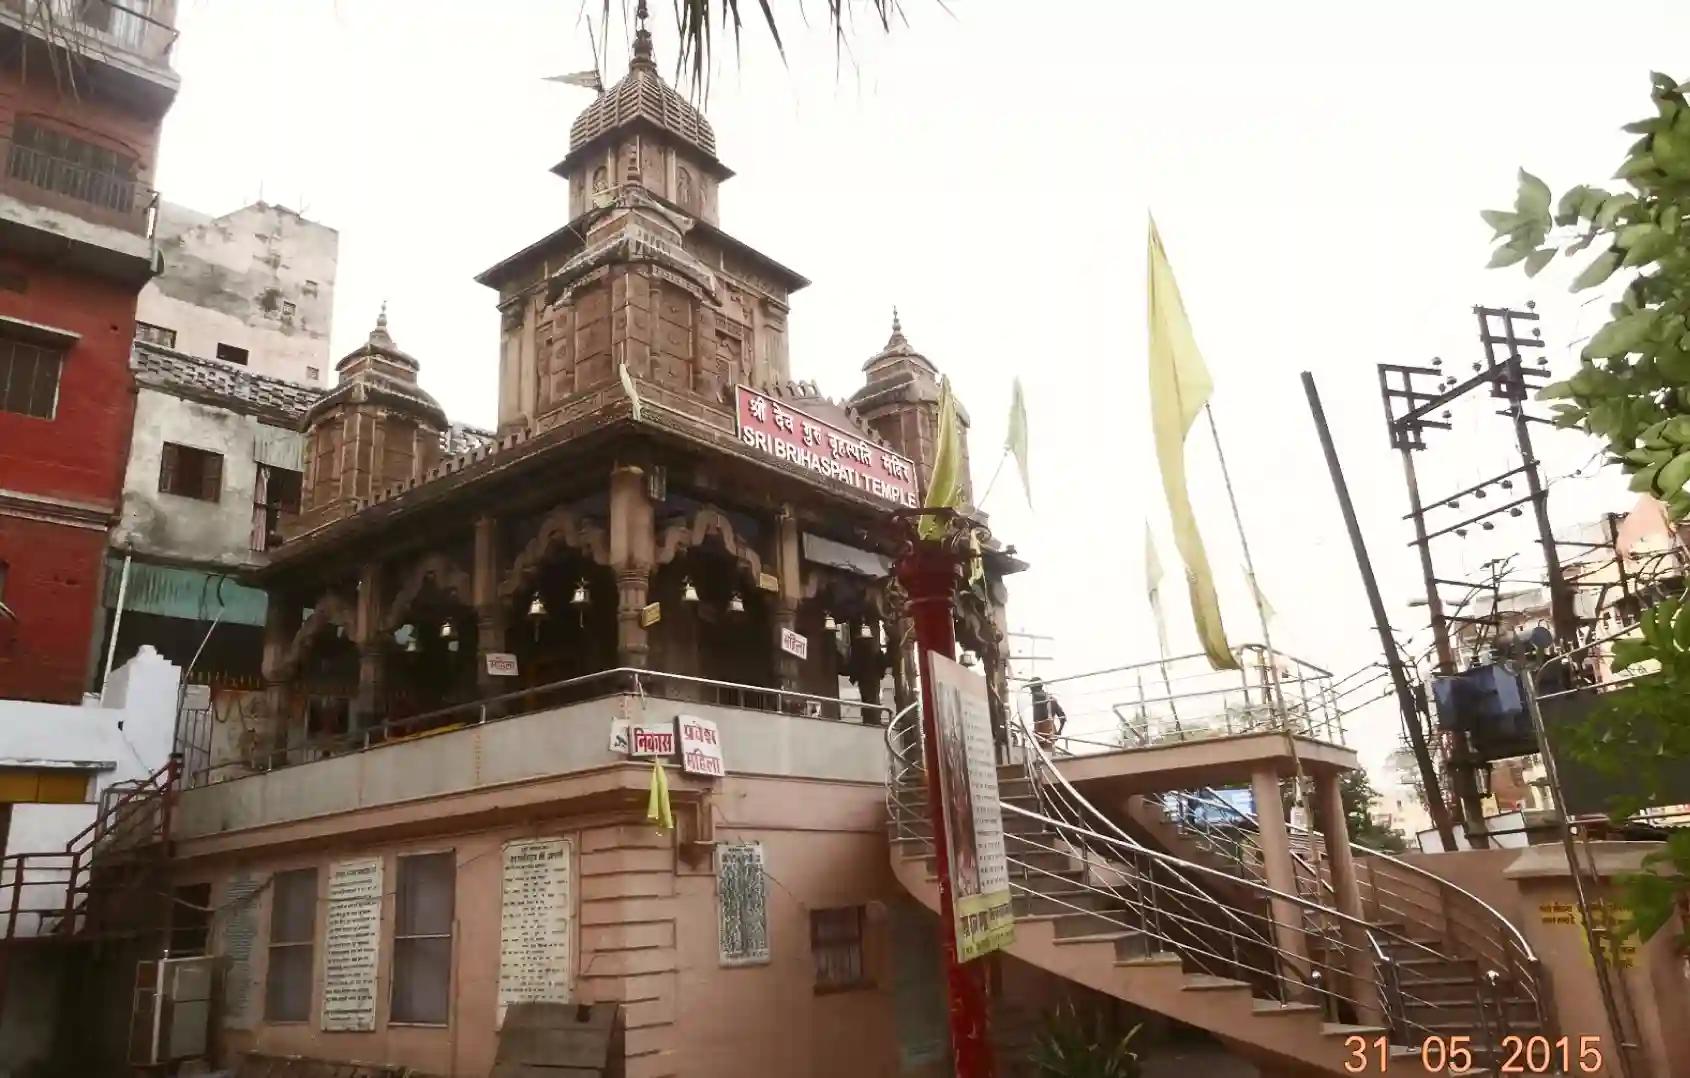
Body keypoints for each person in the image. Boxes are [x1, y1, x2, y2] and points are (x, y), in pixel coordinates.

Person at [1028, 676, 1066, 749]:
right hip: (1042, 733)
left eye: (1032, 691)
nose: (1033, 694)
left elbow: (1063, 718)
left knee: (1047, 754)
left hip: (1046, 733)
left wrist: (1058, 732)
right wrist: (1059, 732)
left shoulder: (1044, 699)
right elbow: (1063, 718)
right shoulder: (1049, 699)